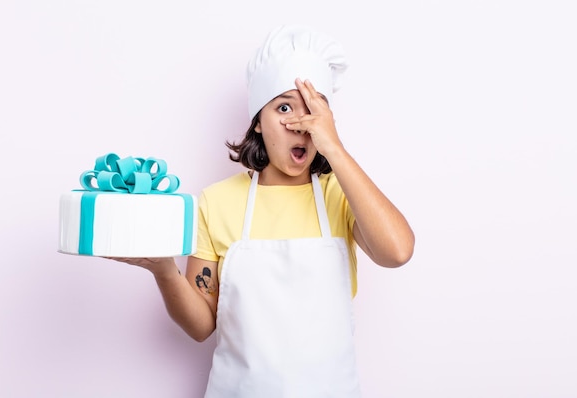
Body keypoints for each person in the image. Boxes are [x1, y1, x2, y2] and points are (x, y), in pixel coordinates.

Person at [111, 24, 415, 398]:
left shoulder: (341, 195)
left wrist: (334, 148)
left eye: (313, 110)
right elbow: (201, 325)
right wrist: (164, 272)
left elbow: (397, 251)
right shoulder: (217, 201)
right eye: (284, 107)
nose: (300, 125)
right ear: (258, 119)